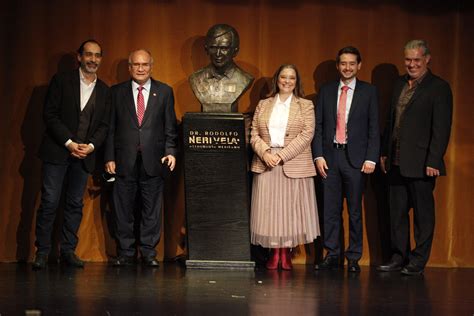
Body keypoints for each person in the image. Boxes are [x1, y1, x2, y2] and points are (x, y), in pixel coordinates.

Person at [377, 40, 453, 276]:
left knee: (423, 216)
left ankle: (418, 260)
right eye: (408, 60)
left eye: (416, 60)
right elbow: (391, 121)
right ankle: (399, 257)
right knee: (396, 213)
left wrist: (433, 160)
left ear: (427, 59)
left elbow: (441, 129)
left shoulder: (438, 87)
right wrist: (385, 152)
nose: (411, 64)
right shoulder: (400, 83)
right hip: (396, 161)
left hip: (422, 164)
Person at [33, 39, 110, 270]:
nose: (93, 59)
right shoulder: (61, 81)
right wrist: (69, 143)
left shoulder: (105, 90)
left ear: (101, 59)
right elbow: (50, 114)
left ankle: (68, 250)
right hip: (58, 152)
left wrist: (91, 146)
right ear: (79, 57)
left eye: (97, 55)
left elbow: (104, 125)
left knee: (75, 204)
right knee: (49, 202)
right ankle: (42, 252)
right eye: (88, 55)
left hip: (84, 156)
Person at [104, 49, 178, 267]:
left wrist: (171, 151)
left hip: (154, 160)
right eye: (136, 64)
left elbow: (170, 127)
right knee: (122, 209)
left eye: (144, 64)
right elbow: (110, 128)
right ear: (129, 67)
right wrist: (109, 156)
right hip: (123, 159)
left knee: (151, 209)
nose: (140, 68)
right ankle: (125, 252)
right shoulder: (116, 92)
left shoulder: (164, 92)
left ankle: (148, 252)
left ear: (151, 66)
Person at [312, 46, 380, 272]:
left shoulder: (369, 92)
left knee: (354, 212)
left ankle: (353, 257)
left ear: (359, 65)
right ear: (337, 66)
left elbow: (374, 127)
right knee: (330, 210)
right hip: (330, 157)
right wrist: (318, 155)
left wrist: (371, 158)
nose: (347, 67)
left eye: (352, 63)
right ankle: (332, 254)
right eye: (343, 63)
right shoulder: (326, 90)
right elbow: (318, 125)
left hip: (356, 160)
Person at [250, 64, 320, 270]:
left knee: (290, 211)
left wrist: (281, 155)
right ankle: (274, 253)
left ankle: (286, 253)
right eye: (283, 77)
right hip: (266, 163)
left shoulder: (305, 105)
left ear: (296, 82)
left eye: (291, 78)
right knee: (270, 210)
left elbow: (307, 134)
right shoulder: (264, 104)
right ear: (277, 79)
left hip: (293, 163)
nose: (287, 81)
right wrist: (265, 153)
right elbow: (253, 133)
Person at [189, 24, 254, 113]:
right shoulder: (195, 79)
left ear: (235, 51)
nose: (218, 54)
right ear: (206, 49)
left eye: (224, 48)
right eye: (213, 48)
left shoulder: (244, 79)